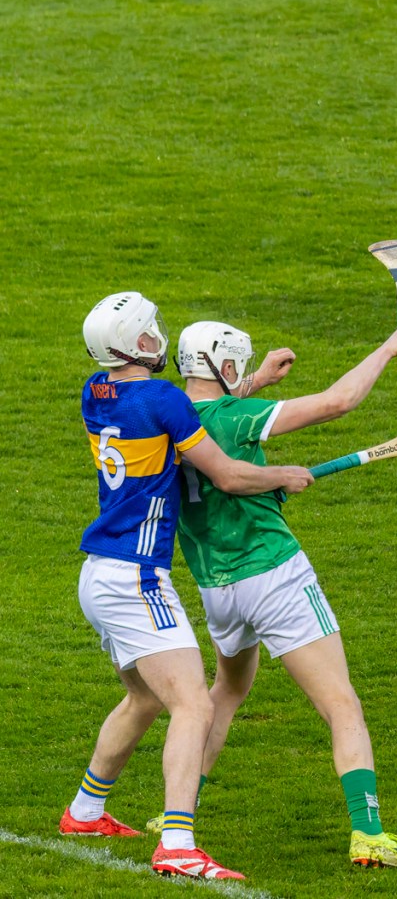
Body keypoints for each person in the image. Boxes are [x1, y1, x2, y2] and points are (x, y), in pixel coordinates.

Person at [164, 319, 397, 869]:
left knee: (226, 692)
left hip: (215, 586)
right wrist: (388, 346)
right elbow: (339, 401)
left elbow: (210, 414)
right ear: (224, 365)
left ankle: (176, 816)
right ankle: (369, 833)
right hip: (275, 576)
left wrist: (258, 381)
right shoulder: (237, 418)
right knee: (341, 703)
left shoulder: (164, 418)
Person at [65, 292, 313, 882]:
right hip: (136, 577)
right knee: (194, 704)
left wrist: (251, 382)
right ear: (132, 343)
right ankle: (177, 845)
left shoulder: (96, 391)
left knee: (145, 698)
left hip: (97, 573)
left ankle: (85, 811)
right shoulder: (163, 399)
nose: (160, 338)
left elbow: (178, 416)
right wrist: (281, 475)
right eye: (149, 332)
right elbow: (226, 474)